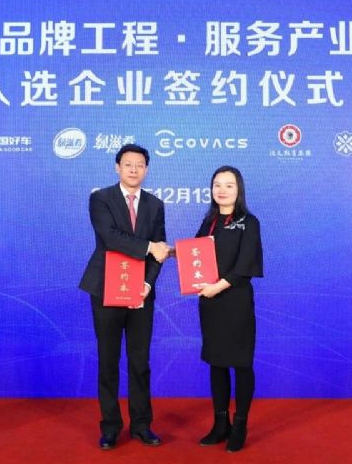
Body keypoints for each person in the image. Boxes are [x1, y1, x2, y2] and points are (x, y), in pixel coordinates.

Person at [79, 144, 171, 450]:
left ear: (147, 169)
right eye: (128, 164)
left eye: (140, 165)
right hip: (106, 287)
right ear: (117, 167)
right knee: (108, 361)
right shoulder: (101, 198)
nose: (134, 169)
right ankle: (110, 427)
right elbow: (110, 237)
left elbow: (160, 250)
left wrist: (147, 284)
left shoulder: (155, 204)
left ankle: (142, 425)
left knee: (140, 361)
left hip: (141, 292)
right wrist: (149, 247)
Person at [193, 165, 263, 452]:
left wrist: (217, 287)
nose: (222, 190)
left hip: (236, 302)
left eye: (229, 185)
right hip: (211, 305)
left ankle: (240, 424)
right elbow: (195, 255)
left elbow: (245, 266)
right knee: (217, 362)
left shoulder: (249, 222)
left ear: (239, 189)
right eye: (217, 185)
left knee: (241, 364)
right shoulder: (209, 221)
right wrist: (172, 253)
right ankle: (220, 424)